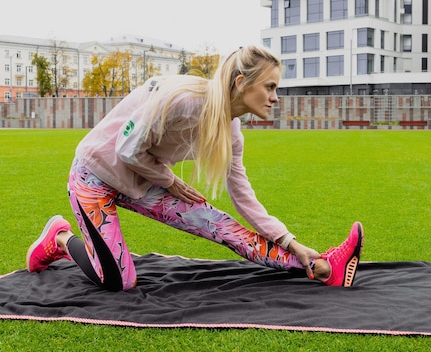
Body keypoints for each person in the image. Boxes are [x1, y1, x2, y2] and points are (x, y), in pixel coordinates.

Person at [26, 45, 363, 291]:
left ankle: (320, 266)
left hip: (143, 180)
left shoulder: (231, 133)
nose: (276, 97)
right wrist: (170, 180)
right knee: (118, 281)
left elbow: (243, 197)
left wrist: (291, 243)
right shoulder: (183, 99)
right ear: (243, 82)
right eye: (270, 86)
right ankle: (59, 238)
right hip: (94, 176)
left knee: (223, 227)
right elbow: (126, 148)